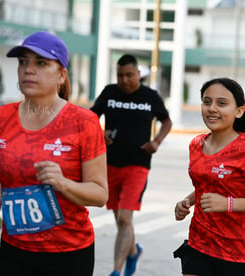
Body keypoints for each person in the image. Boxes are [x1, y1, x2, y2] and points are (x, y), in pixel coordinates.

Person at [0, 31, 108, 276]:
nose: (28, 70)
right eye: (23, 62)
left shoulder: (84, 121)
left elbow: (99, 194)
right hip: (13, 248)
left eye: (41, 63)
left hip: (68, 253)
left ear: (61, 75)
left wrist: (63, 183)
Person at [174, 77, 245, 276]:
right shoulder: (196, 144)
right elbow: (207, 183)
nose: (212, 109)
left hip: (239, 251)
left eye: (222, 103)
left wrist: (229, 204)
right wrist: (186, 202)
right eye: (207, 102)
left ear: (239, 111)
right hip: (200, 242)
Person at [90, 54, 172, 276]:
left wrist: (156, 142)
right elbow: (89, 118)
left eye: (129, 75)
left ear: (138, 74)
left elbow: (166, 120)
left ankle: (116, 271)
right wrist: (101, 133)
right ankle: (134, 251)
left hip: (138, 165)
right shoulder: (109, 92)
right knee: (120, 220)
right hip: (109, 165)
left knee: (126, 218)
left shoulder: (150, 96)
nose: (124, 80)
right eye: (120, 75)